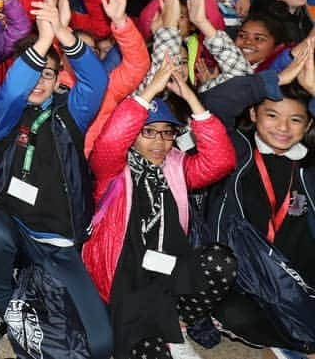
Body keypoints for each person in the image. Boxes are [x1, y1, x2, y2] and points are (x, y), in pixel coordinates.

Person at [0, 0, 111, 359]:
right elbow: (13, 90)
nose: (39, 81)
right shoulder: (4, 114)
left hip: (56, 242)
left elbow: (96, 83)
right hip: (11, 228)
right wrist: (43, 42)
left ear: (57, 79)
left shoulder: (70, 114)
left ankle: (31, 289)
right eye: (33, 70)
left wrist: (64, 35)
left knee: (100, 344)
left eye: (48, 73)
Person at [83, 59, 236, 359]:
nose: (160, 142)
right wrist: (150, 91)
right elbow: (112, 140)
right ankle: (158, 334)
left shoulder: (177, 167)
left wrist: (192, 100)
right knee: (149, 352)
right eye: (148, 133)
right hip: (127, 284)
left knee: (221, 262)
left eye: (167, 133)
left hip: (169, 272)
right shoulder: (111, 171)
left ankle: (175, 326)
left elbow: (221, 161)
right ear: (133, 136)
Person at [202, 44, 315, 356]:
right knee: (233, 314)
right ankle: (299, 341)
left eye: (295, 120)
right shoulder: (236, 151)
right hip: (246, 279)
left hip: (299, 280)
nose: (282, 127)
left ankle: (292, 339)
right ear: (253, 113)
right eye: (272, 115)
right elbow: (213, 104)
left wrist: (313, 90)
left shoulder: (308, 163)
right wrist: (271, 81)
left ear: (307, 126)